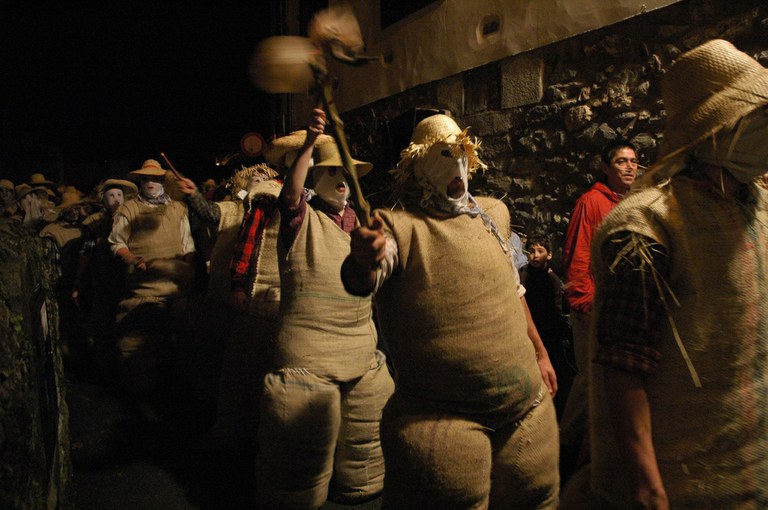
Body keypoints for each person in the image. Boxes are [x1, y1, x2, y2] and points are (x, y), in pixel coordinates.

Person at [570, 39, 768, 509]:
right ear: (717, 130)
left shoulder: (757, 209)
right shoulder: (646, 225)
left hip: (752, 471)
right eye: (758, 118)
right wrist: (648, 485)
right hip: (690, 481)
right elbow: (624, 361)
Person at [342, 113, 559, 509]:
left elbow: (513, 289)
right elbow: (367, 275)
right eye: (443, 154)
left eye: (462, 152)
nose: (456, 164)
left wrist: (541, 353)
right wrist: (363, 259)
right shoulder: (401, 228)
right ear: (419, 165)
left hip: (525, 404)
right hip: (443, 415)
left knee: (535, 495)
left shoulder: (492, 215)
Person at [254, 109, 394, 509]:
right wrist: (311, 143)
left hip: (359, 347)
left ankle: (357, 485)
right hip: (310, 354)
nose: (341, 182)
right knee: (299, 442)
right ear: (314, 179)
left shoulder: (362, 222)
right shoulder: (302, 218)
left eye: (345, 174)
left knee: (367, 425)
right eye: (330, 173)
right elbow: (290, 196)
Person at [558, 138, 638, 479]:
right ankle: (564, 454)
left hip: (620, 311)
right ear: (605, 167)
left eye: (633, 161)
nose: (630, 167)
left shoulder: (631, 203)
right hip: (593, 309)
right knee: (590, 382)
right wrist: (585, 305)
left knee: (609, 384)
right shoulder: (591, 203)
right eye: (621, 161)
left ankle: (597, 458)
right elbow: (577, 257)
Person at [108, 159, 198, 420]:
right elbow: (116, 242)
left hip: (176, 289)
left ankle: (177, 401)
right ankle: (143, 404)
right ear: (140, 182)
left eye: (156, 179)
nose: (151, 183)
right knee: (141, 349)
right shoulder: (129, 209)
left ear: (162, 182)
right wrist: (133, 260)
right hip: (143, 290)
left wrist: (190, 271)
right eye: (146, 179)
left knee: (181, 346)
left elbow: (188, 245)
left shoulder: (178, 209)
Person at [75, 178, 138, 382]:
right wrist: (78, 280)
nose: (116, 199)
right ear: (104, 200)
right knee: (103, 331)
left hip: (127, 284)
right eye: (111, 195)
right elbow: (86, 253)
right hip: (103, 285)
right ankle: (105, 376)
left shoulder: (132, 221)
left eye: (119, 195)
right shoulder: (96, 226)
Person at [520, 234, 572, 419]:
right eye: (531, 251)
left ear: (549, 255)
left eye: (540, 251)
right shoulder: (522, 276)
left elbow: (556, 308)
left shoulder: (552, 280)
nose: (535, 255)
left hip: (547, 332)